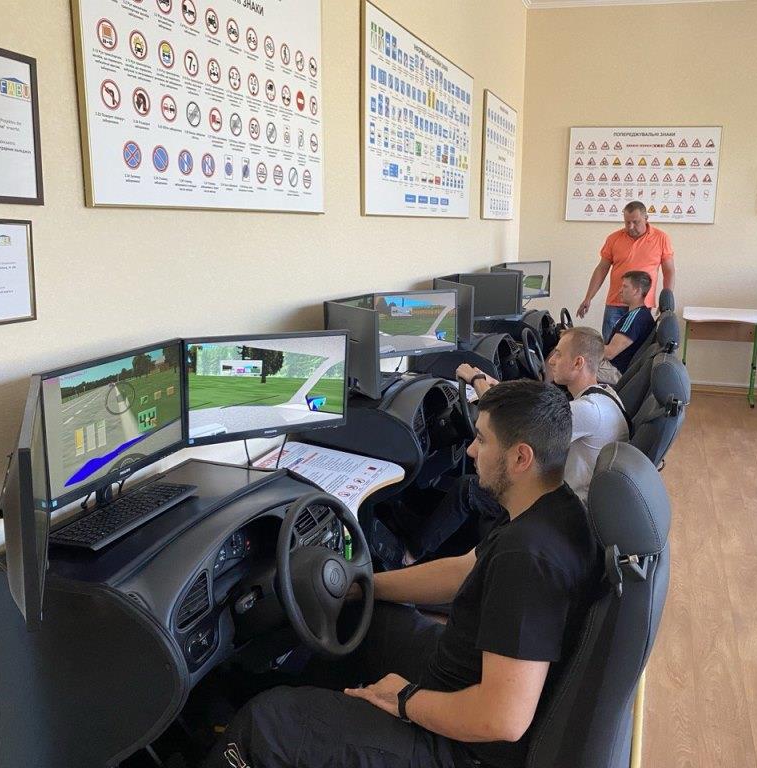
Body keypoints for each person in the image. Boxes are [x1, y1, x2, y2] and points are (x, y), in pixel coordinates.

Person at [207, 381, 601, 768]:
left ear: (520, 458)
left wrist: (403, 700)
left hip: (460, 748)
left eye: (482, 440)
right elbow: (462, 571)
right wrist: (364, 587)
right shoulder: (550, 508)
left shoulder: (529, 558)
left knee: (264, 725)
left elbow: (502, 720)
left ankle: (282, 731)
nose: (470, 449)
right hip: (457, 672)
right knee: (361, 618)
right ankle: (312, 719)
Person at [390, 327, 629, 564]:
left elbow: (512, 426)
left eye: (558, 354)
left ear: (578, 363)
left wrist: (477, 381)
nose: (551, 360)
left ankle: (409, 556)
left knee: (467, 488)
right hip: (573, 502)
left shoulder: (588, 411)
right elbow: (535, 408)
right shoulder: (604, 396)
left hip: (563, 515)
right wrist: (497, 387)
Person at [577, 200, 675, 340]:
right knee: (610, 345)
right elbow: (601, 269)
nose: (631, 227)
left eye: (635, 222)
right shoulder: (613, 238)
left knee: (639, 347)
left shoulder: (661, 238)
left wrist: (666, 302)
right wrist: (588, 298)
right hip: (615, 303)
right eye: (627, 222)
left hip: (642, 305)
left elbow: (669, 271)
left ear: (646, 218)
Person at [597, 270, 655, 385]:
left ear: (637, 291)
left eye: (625, 286)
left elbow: (609, 353)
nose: (620, 290)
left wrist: (582, 346)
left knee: (567, 365)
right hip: (617, 368)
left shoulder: (635, 318)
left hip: (616, 371)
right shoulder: (639, 314)